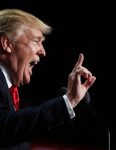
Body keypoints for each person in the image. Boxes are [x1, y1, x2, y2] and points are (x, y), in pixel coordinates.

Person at [0, 8, 96, 149]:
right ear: (7, 44)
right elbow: (4, 129)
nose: (43, 51)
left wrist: (71, 102)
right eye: (36, 41)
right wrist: (67, 101)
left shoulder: (7, 87)